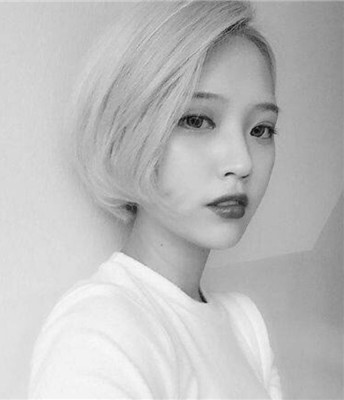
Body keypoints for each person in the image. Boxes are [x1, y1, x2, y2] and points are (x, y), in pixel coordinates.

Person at [29, 1, 283, 398]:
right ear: (130, 130)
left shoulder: (244, 324)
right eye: (197, 120)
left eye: (261, 129)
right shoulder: (100, 330)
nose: (242, 162)